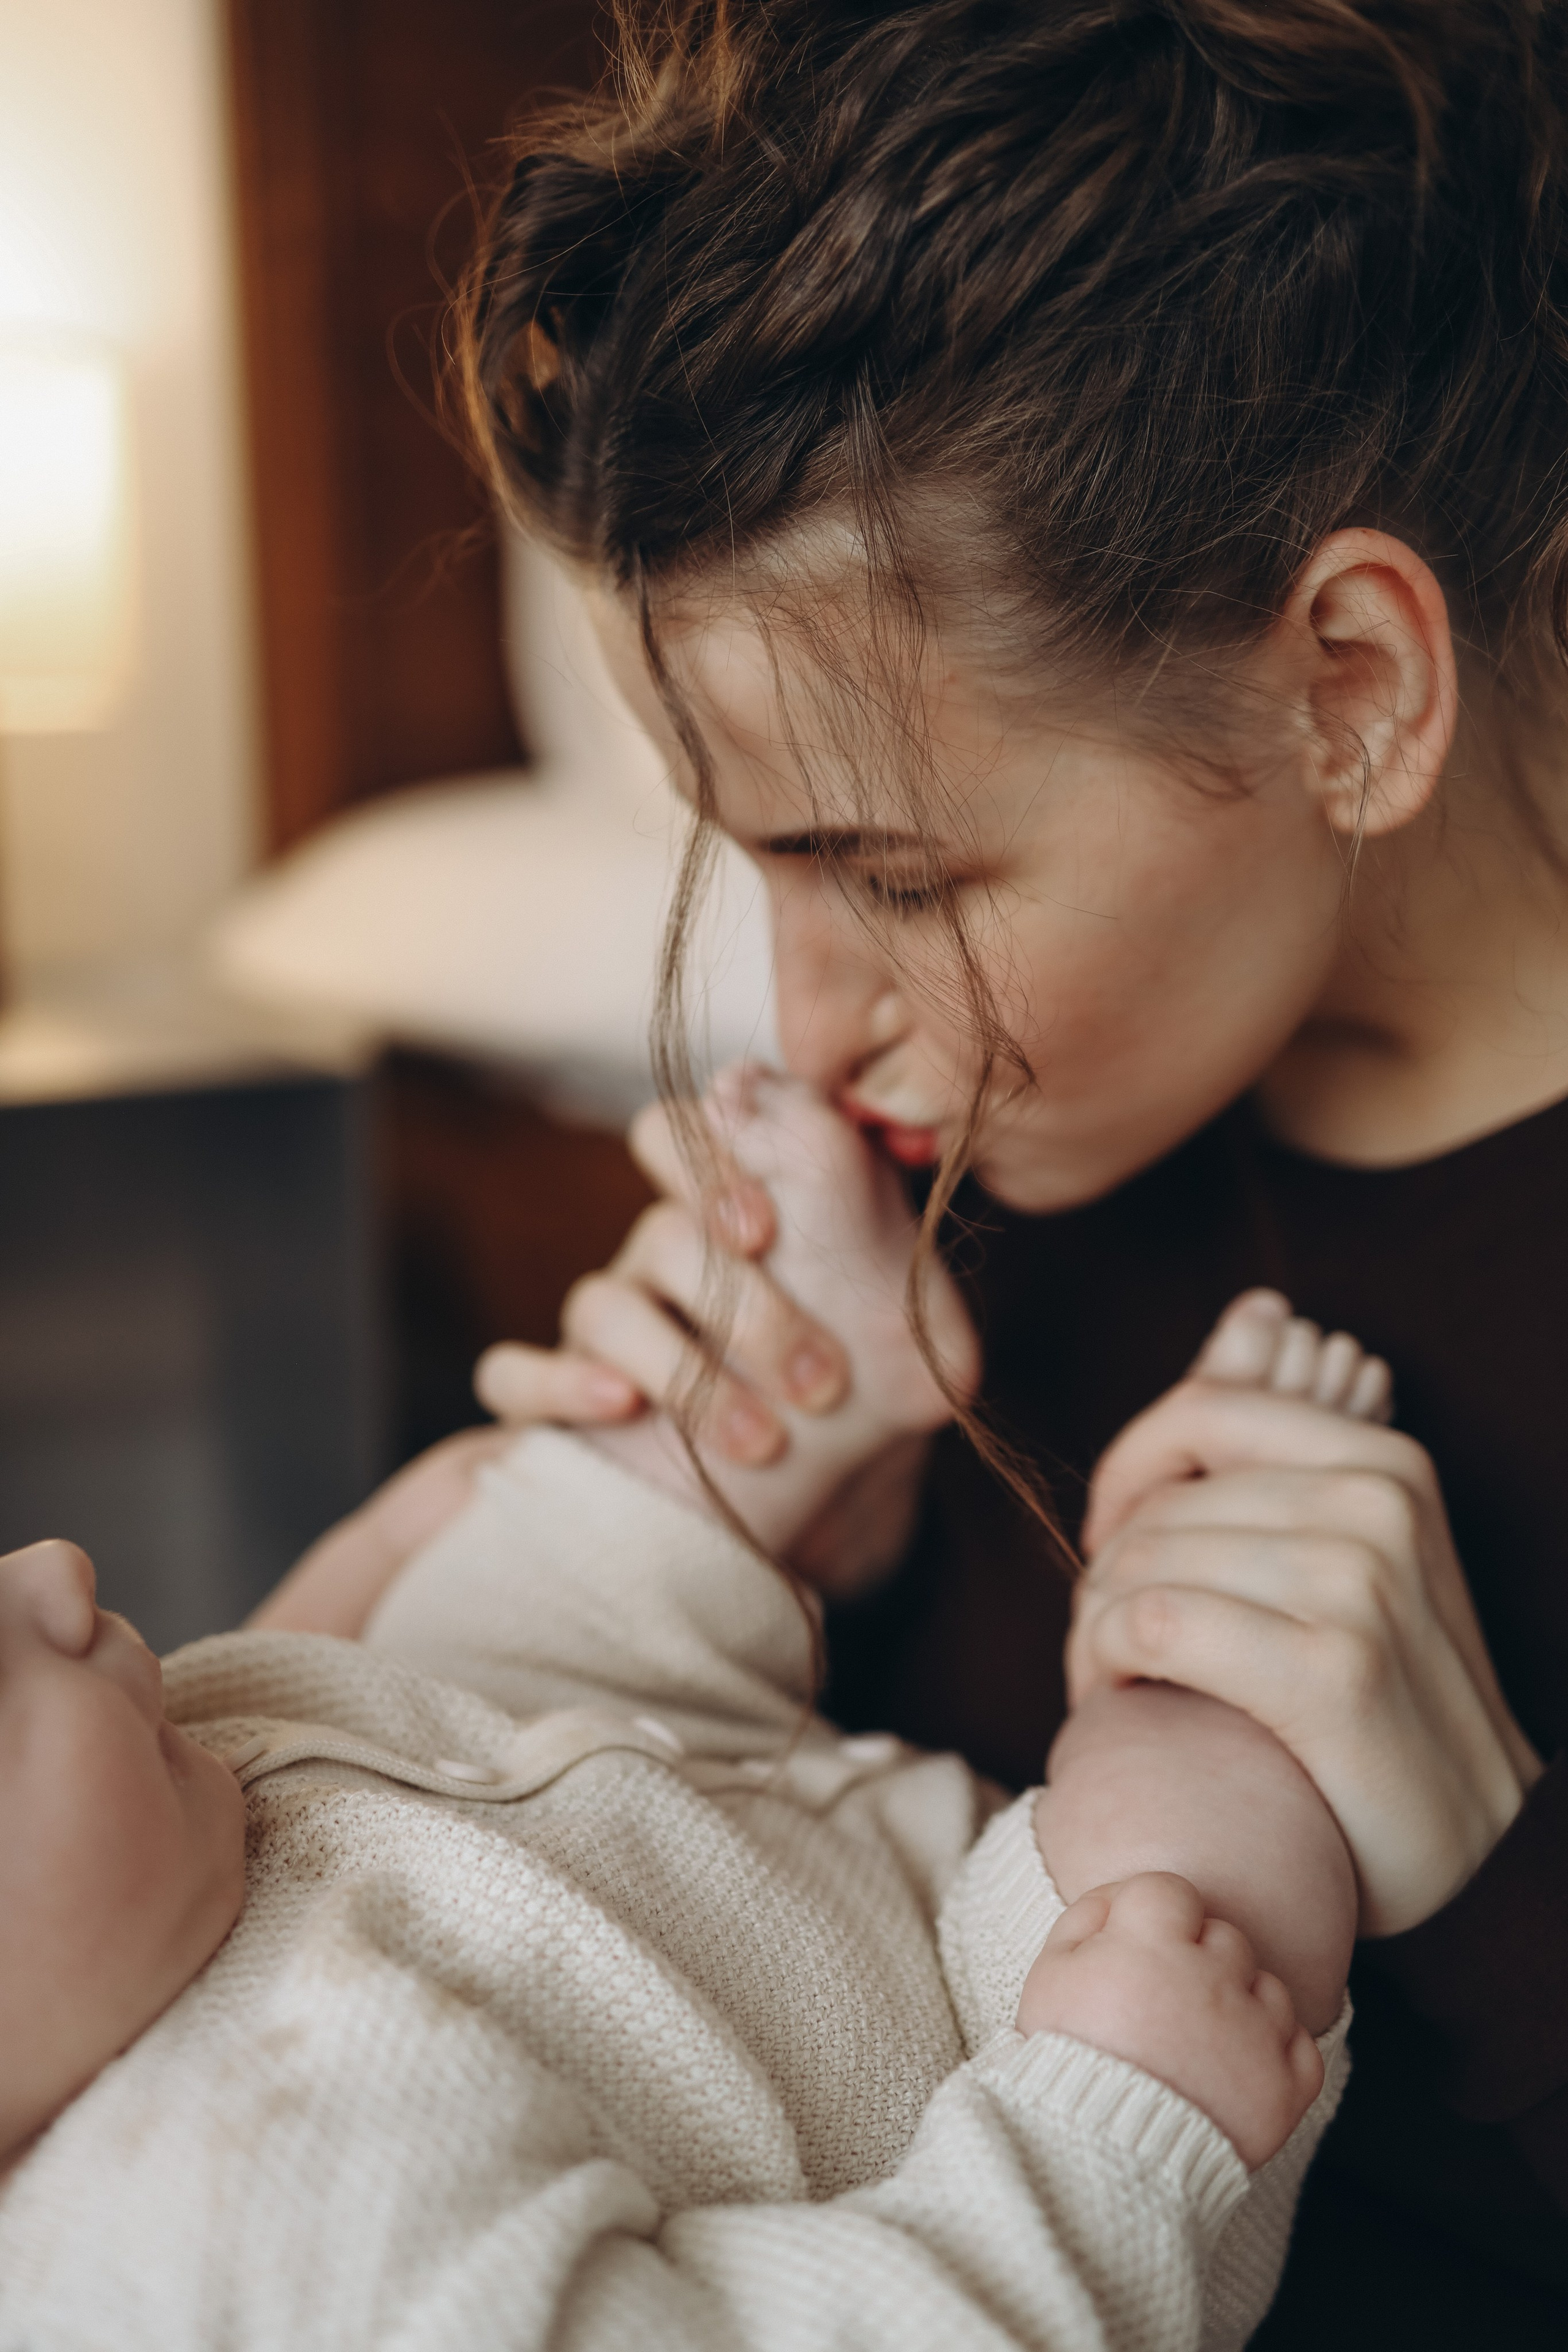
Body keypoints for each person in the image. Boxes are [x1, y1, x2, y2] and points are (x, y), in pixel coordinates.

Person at [445, 2, 1568, 2339]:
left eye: (909, 880)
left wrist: (1489, 1885)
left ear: (1351, 686)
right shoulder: (949, 1203)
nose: (813, 1014)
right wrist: (729, 1579)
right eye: (754, 867)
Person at [0, 1070, 1365, 2351]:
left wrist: (427, 1513)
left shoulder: (151, 1826)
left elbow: (315, 1648)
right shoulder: (256, 2254)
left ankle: (798, 1369)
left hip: (581, 1778)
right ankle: (1199, 1612)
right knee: (1199, 1834)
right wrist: (1116, 2115)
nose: (53, 1579)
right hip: (982, 2053)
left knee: (506, 1570)